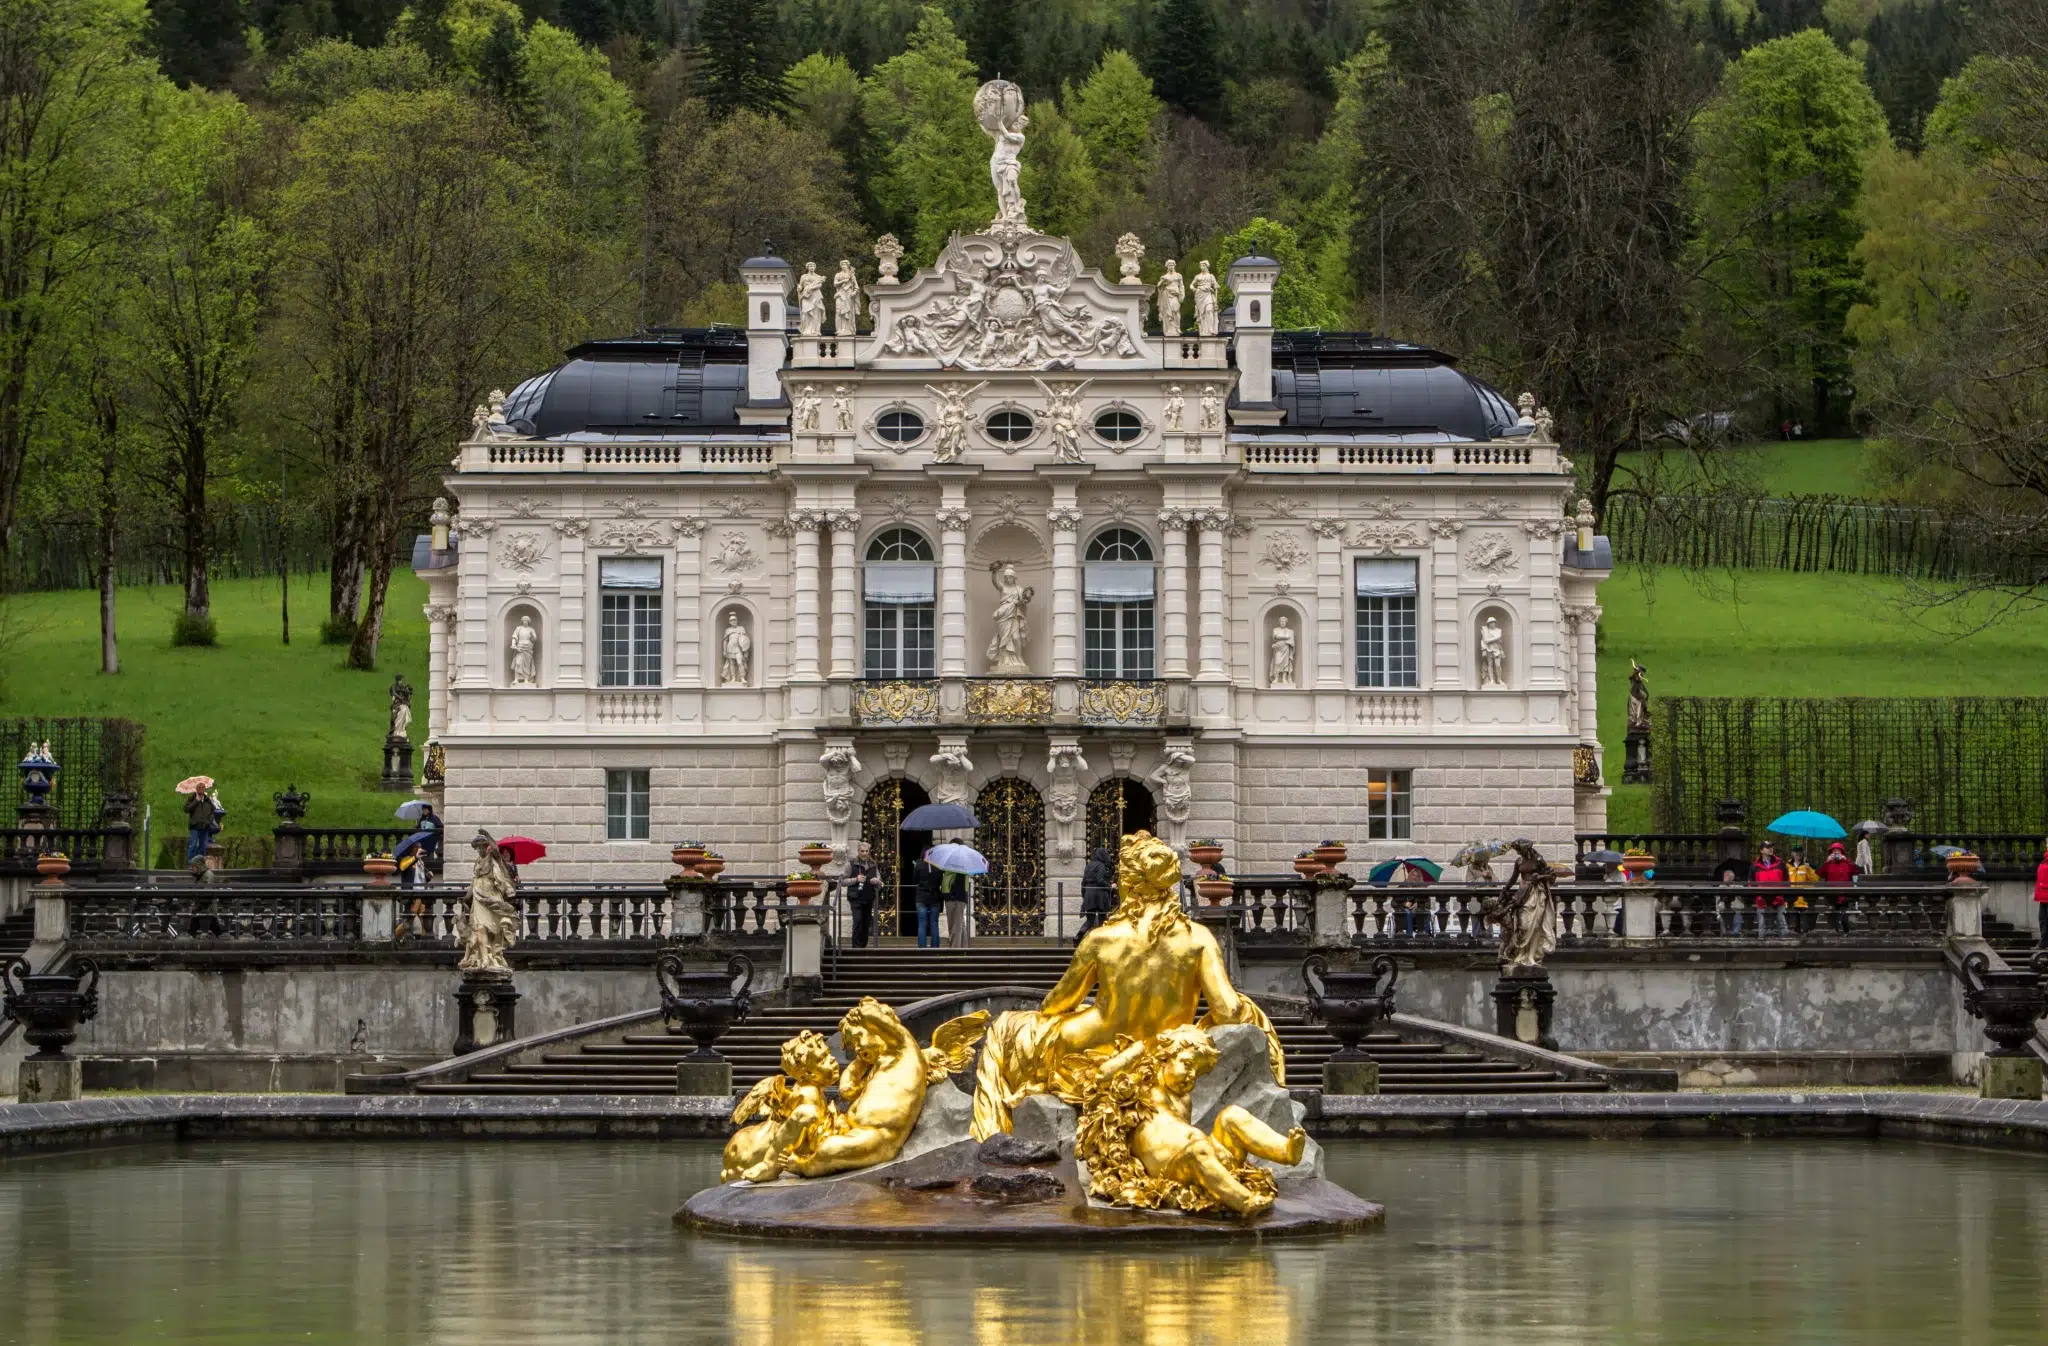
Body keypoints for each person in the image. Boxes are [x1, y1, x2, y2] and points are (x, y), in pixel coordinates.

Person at [844, 842, 880, 948]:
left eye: (866, 851)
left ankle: (863, 946)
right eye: (862, 851)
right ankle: (855, 947)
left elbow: (880, 880)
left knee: (866, 922)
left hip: (868, 897)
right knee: (858, 920)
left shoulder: (873, 864)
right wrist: (856, 879)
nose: (864, 853)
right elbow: (842, 881)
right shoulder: (850, 864)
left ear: (869, 852)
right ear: (858, 851)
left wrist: (877, 881)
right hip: (855, 898)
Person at [1750, 842, 1789, 936]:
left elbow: (1786, 880)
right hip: (1762, 900)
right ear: (1761, 850)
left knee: (1782, 923)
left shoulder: (1780, 863)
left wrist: (1785, 895)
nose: (1770, 849)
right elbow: (1751, 883)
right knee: (1762, 925)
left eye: (1771, 847)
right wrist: (1756, 897)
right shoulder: (1754, 866)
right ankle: (1762, 946)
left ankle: (1786, 945)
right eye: (1767, 847)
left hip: (1779, 899)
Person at [1819, 841, 1857, 933]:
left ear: (1842, 852)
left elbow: (1857, 870)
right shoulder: (1828, 864)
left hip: (1845, 895)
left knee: (1844, 918)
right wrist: (1826, 862)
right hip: (1832, 895)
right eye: (1834, 851)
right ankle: (1835, 933)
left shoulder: (1847, 863)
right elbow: (1820, 873)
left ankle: (1846, 933)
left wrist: (1846, 860)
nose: (1836, 852)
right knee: (1833, 917)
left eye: (1838, 851)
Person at [1079, 846, 1115, 941]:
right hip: (1099, 895)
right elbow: (1100, 880)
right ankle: (1101, 940)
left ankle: (1077, 937)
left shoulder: (1089, 866)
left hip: (1089, 894)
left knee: (1090, 919)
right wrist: (1110, 887)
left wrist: (1084, 895)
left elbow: (1083, 882)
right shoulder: (1101, 866)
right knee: (1102, 918)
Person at [912, 848, 943, 949]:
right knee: (934, 922)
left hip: (921, 896)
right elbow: (940, 881)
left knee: (922, 923)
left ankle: (922, 946)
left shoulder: (918, 866)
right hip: (935, 896)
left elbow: (914, 880)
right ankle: (935, 946)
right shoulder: (938, 867)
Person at [183, 785, 223, 865]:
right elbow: (186, 809)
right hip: (195, 826)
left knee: (203, 847)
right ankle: (191, 864)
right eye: (199, 788)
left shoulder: (208, 800)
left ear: (204, 789)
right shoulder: (192, 799)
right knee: (192, 846)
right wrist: (196, 801)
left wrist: (209, 820)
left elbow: (213, 810)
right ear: (196, 789)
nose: (201, 790)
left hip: (205, 826)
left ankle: (201, 864)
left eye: (202, 788)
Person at [1786, 847, 1819, 933]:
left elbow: (1815, 880)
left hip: (1804, 901)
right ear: (1792, 853)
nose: (1798, 854)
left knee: (1805, 926)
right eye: (1796, 852)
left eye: (1800, 852)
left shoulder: (1807, 866)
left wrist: (1809, 869)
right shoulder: (1787, 866)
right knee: (1793, 927)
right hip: (1791, 900)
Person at [942, 868, 974, 948]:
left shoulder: (958, 867)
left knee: (955, 925)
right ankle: (964, 948)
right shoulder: (960, 867)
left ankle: (954, 950)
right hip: (957, 897)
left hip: (954, 898)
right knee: (960, 924)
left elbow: (958, 883)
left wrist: (952, 895)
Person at [2035, 848, 2048, 948]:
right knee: (2043, 919)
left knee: (2043, 920)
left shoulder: (2043, 865)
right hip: (2043, 896)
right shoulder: (2043, 865)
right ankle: (2043, 942)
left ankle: (2043, 942)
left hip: (2043, 896)